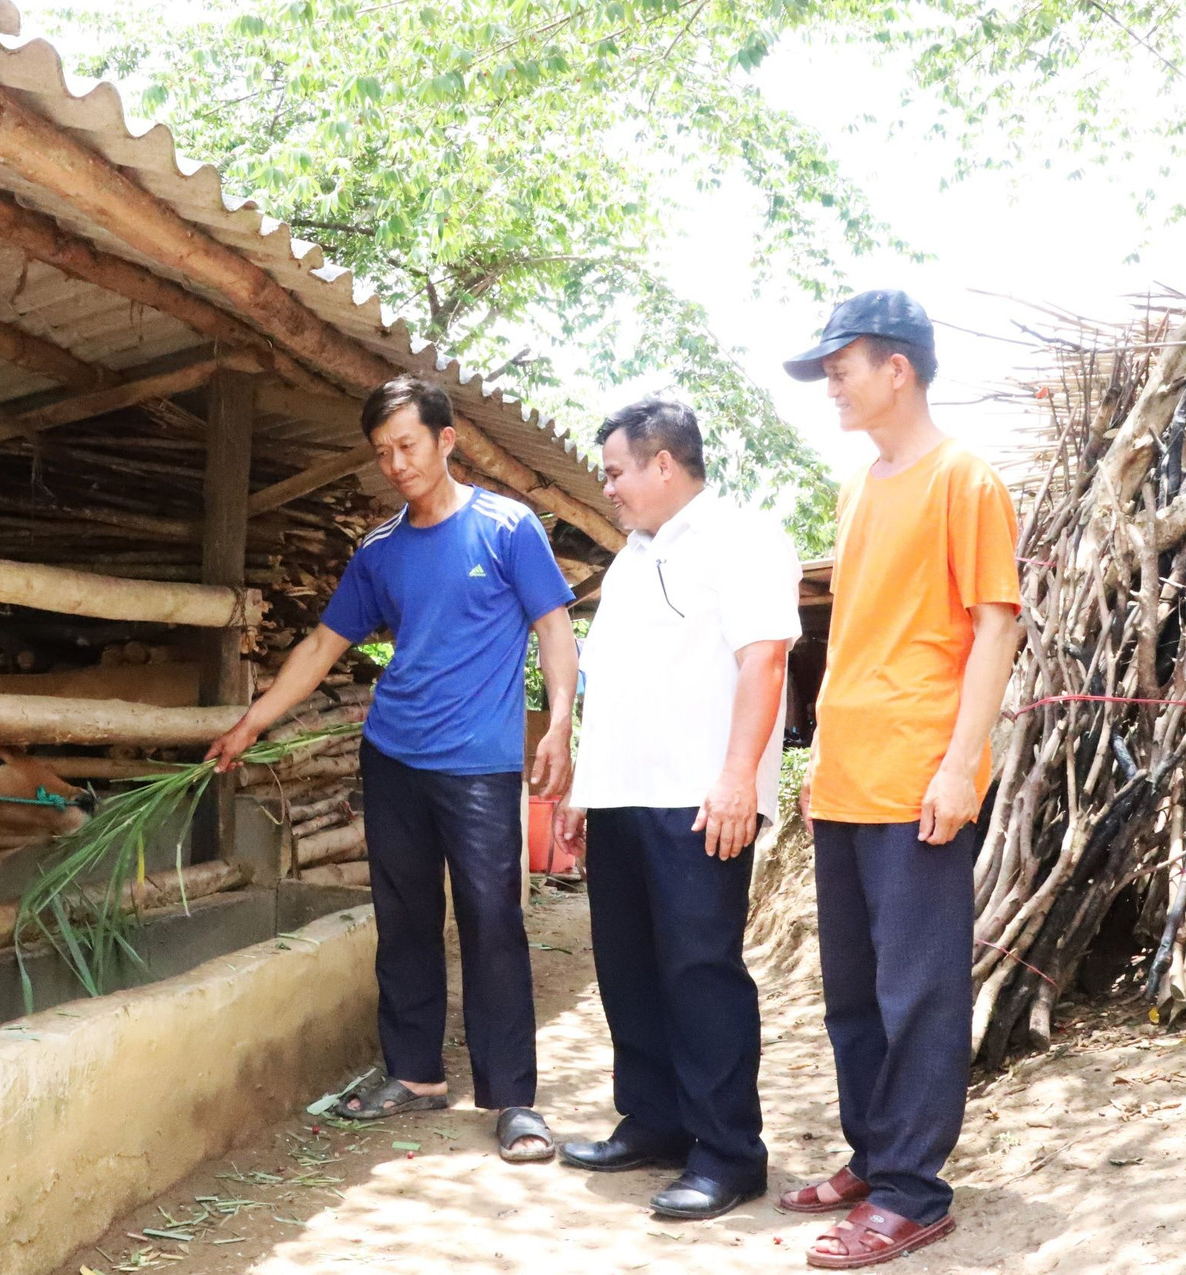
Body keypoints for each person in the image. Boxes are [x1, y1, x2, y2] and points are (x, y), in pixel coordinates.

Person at [207, 374, 578, 1162]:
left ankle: (511, 1096)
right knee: (404, 918)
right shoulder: (380, 550)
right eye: (383, 453)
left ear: (448, 440)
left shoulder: (509, 528)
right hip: (395, 757)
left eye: (408, 446)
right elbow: (321, 647)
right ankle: (415, 1075)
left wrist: (563, 723)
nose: (396, 464)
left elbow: (554, 628)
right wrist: (252, 721)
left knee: (491, 922)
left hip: (479, 767)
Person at [776, 291, 1021, 1269]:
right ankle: (876, 1160)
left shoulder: (963, 480)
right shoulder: (858, 487)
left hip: (922, 776)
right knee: (850, 995)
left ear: (898, 368)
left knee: (916, 993)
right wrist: (818, 761)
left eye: (839, 367)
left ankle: (915, 1194)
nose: (829, 385)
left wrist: (959, 765)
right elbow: (849, 643)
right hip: (847, 777)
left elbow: (994, 626)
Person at [553, 398, 801, 1221]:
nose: (610, 487)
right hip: (623, 796)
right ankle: (656, 1121)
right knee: (628, 968)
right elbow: (611, 687)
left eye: (617, 470)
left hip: (700, 799)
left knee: (700, 971)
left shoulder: (743, 537)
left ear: (664, 464)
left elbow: (764, 660)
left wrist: (738, 778)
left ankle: (728, 1151)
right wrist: (587, 791)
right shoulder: (630, 558)